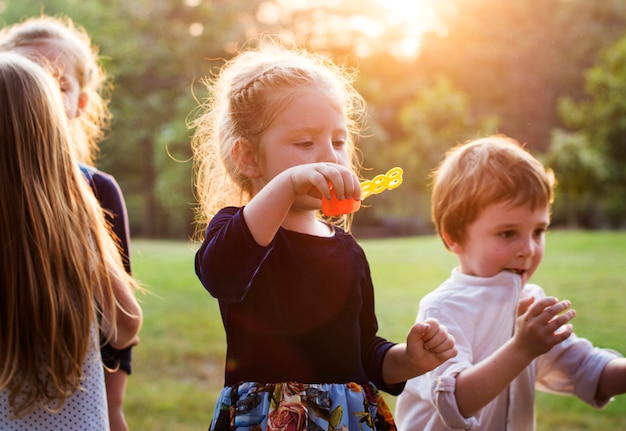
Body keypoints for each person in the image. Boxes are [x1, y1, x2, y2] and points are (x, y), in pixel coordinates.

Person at [190, 38, 457, 431]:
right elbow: (220, 273)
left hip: (346, 419)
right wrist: (287, 185)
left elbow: (363, 351)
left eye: (338, 141)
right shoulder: (239, 231)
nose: (331, 157)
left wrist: (408, 359)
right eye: (304, 143)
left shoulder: (347, 250)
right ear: (248, 157)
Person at [394, 135, 626, 430]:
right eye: (507, 233)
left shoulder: (531, 302)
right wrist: (522, 348)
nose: (528, 249)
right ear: (453, 236)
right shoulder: (442, 310)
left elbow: (585, 369)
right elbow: (456, 401)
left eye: (538, 231)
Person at [0, 15, 135, 431]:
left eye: (58, 81)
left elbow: (120, 338)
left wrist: (114, 408)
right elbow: (126, 324)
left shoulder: (96, 190)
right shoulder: (81, 210)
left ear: (81, 101)